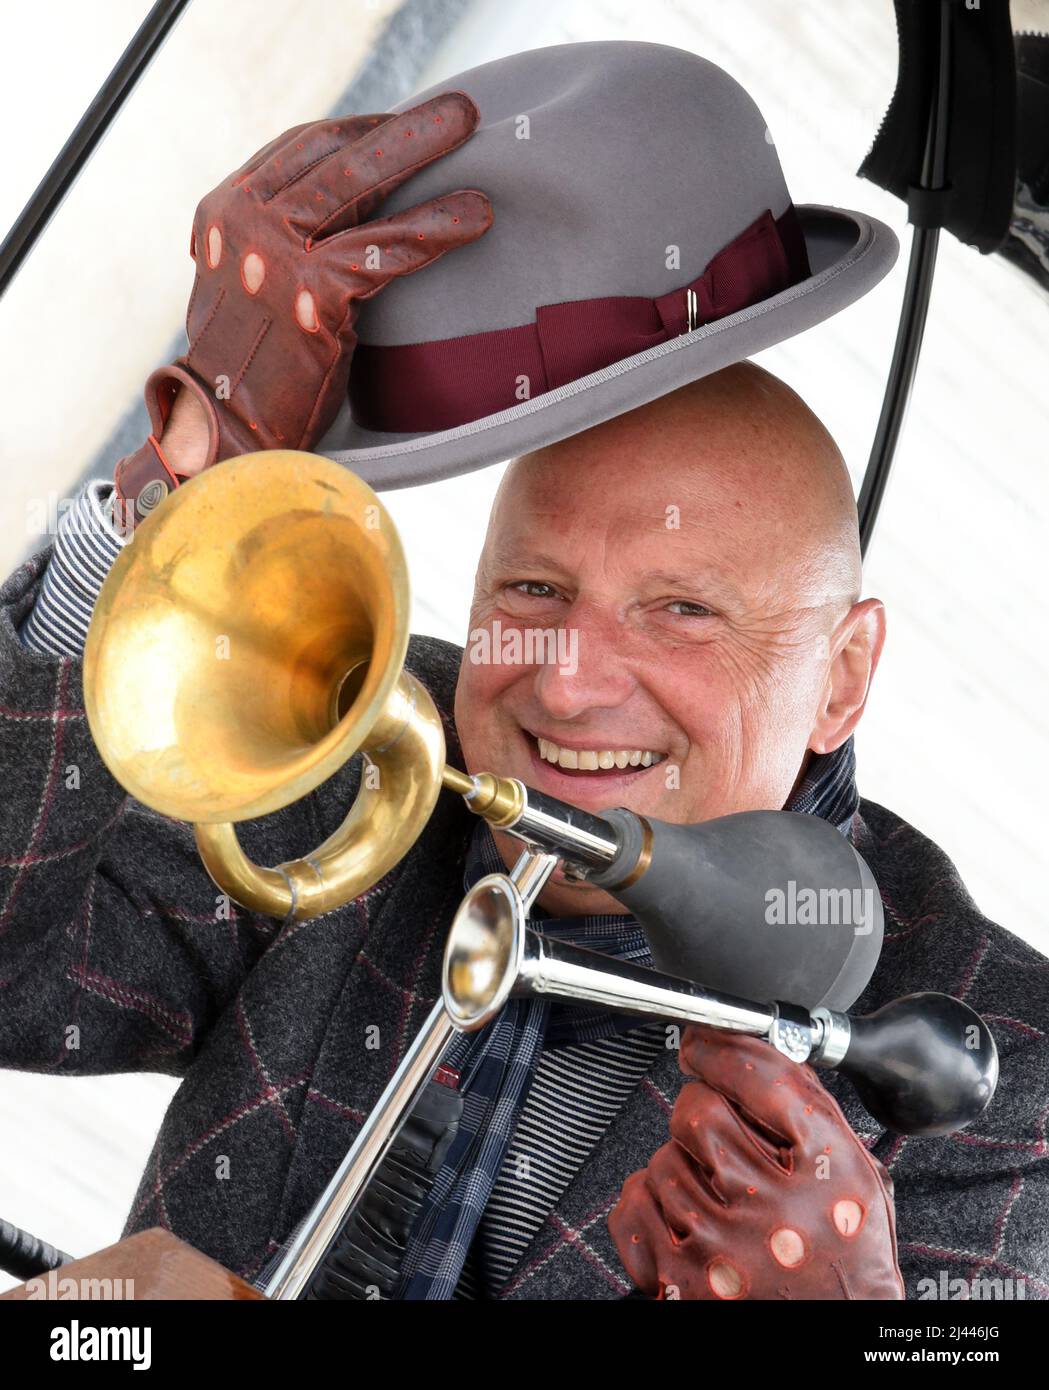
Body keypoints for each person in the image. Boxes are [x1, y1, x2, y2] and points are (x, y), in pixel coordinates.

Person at [2, 40, 1046, 1301]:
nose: (559, 684)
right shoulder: (356, 737)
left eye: (678, 612)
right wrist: (170, 489)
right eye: (532, 593)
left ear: (842, 674)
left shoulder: (1001, 1086)